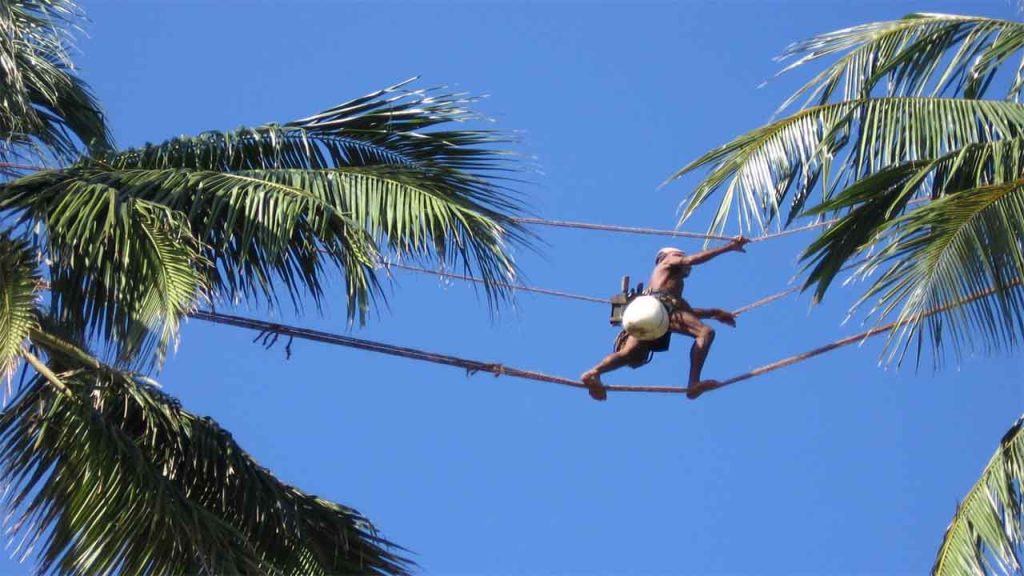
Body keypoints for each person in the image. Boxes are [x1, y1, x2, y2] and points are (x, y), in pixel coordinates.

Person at [580, 236, 749, 401]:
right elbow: (692, 260)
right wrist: (728, 247)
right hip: (659, 310)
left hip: (646, 312)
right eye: (679, 257)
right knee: (705, 332)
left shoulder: (666, 284)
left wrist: (715, 312)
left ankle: (594, 372)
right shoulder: (668, 261)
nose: (683, 262)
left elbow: (687, 312)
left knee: (629, 354)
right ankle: (693, 383)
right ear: (666, 256)